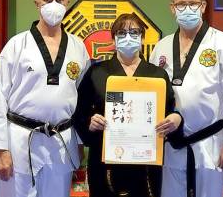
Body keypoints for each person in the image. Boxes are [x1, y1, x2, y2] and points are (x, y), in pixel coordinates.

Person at [0, 0, 90, 197]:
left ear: (67, 3)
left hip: (61, 140)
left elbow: (83, 100)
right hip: (20, 141)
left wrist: (79, 142)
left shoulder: (77, 48)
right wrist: (0, 149)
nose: (54, 5)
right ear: (37, 3)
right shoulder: (17, 45)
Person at [149, 0, 223, 197]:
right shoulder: (162, 47)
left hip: (209, 144)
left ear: (203, 6)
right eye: (181, 4)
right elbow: (151, 95)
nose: (187, 9)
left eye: (192, 4)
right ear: (172, 8)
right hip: (172, 144)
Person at [72, 13, 183, 197]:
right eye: (121, 33)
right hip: (105, 162)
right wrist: (90, 123)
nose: (128, 37)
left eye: (134, 32)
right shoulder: (97, 72)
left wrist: (175, 119)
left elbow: (170, 112)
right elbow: (79, 113)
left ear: (142, 38)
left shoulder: (157, 75)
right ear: (114, 40)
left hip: (146, 163)